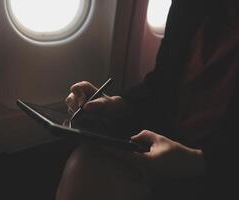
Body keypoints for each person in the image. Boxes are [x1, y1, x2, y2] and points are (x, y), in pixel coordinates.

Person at [56, 0, 239, 199]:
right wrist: (115, 105)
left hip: (219, 169)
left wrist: (196, 162)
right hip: (170, 146)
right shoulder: (191, 7)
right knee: (85, 163)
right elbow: (159, 87)